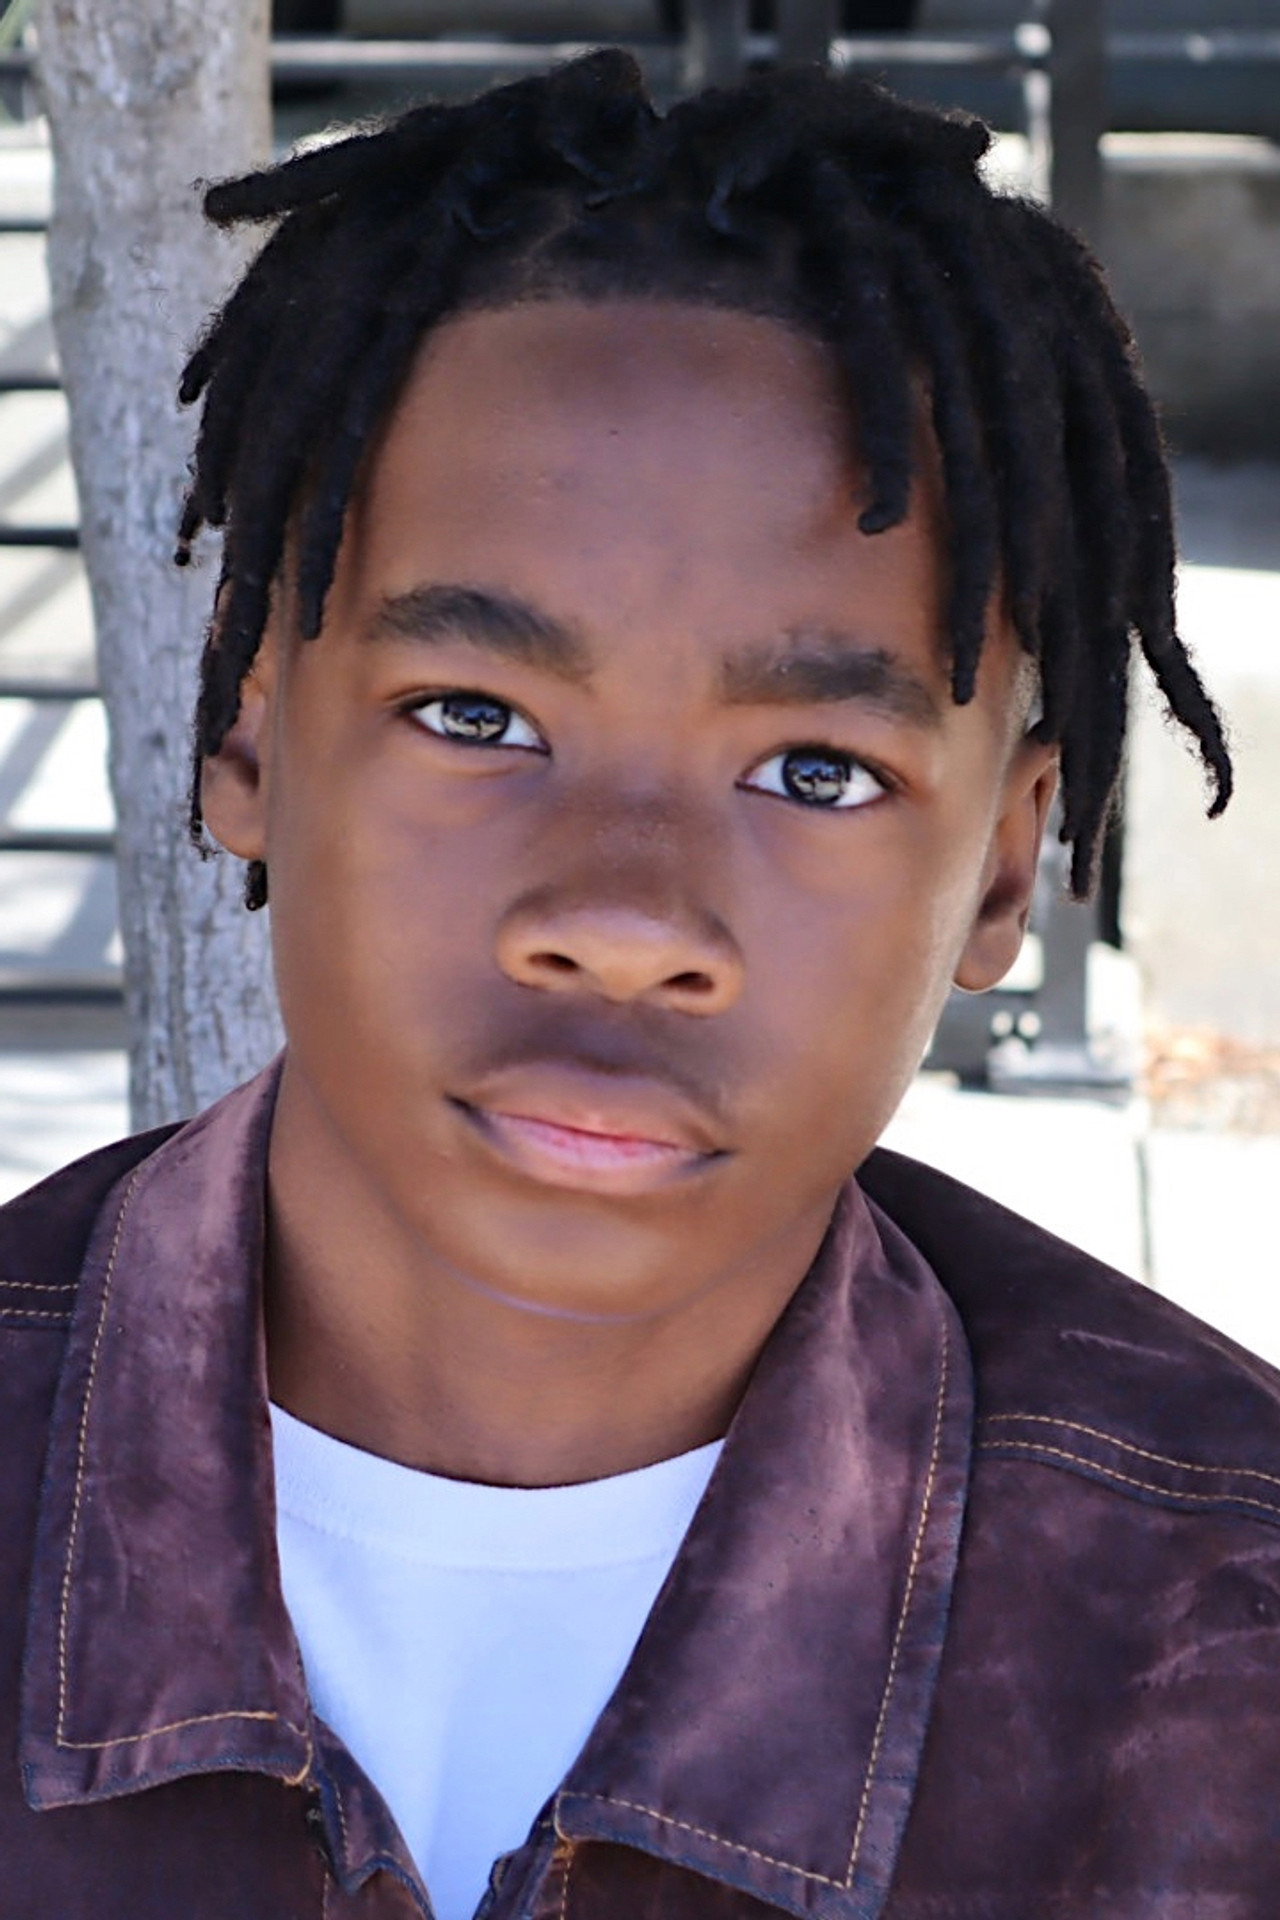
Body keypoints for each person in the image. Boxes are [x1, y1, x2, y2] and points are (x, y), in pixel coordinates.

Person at [2, 50, 1276, 1920]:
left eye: (817, 772)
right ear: (251, 733)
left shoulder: (1224, 1650)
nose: (621, 918)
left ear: (1006, 870)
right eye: (475, 716)